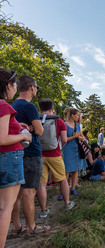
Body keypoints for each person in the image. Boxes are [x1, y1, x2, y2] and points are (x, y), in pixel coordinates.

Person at [11, 75, 51, 237]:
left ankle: (16, 227)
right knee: (29, 192)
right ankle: (31, 227)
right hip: (31, 153)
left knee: (16, 194)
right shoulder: (29, 107)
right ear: (32, 88)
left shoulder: (13, 105)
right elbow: (40, 131)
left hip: (16, 152)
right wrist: (35, 128)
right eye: (36, 87)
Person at [0, 69, 32, 246]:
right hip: (8, 157)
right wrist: (24, 136)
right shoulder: (4, 106)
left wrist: (15, 125)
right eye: (14, 85)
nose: (15, 88)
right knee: (5, 208)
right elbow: (2, 138)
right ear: (8, 86)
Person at [37, 99, 75, 217]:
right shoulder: (58, 121)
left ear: (40, 109)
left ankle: (43, 211)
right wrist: (59, 148)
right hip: (55, 155)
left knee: (42, 184)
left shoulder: (36, 120)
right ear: (52, 108)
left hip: (40, 155)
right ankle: (67, 203)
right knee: (62, 180)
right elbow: (64, 140)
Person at [62, 108, 84, 197]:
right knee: (66, 171)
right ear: (72, 115)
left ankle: (73, 189)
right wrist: (74, 137)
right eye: (77, 115)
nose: (78, 117)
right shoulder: (64, 125)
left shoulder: (77, 125)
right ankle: (63, 191)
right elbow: (64, 139)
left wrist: (78, 137)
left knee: (75, 170)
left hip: (76, 150)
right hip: (67, 150)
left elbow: (82, 138)